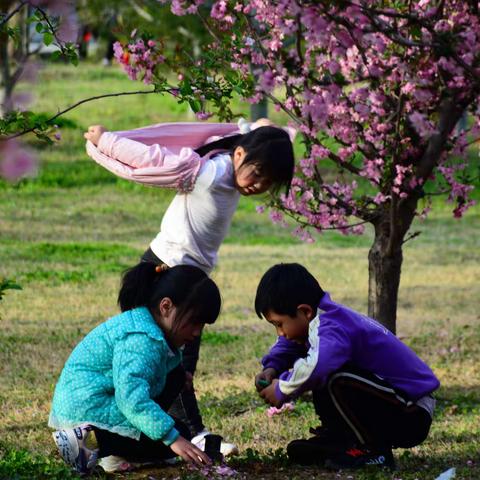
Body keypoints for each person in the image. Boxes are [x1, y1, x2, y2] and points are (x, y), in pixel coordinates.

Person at [84, 119, 295, 456]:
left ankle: (132, 430)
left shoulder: (237, 154)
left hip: (183, 274)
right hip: (168, 271)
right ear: (239, 154)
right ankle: (190, 433)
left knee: (165, 362)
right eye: (256, 174)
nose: (257, 185)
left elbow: (260, 129)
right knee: (173, 363)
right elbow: (152, 158)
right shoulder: (208, 174)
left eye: (267, 183)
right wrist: (106, 140)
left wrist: (263, 127)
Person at [254, 263, 440, 470]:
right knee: (331, 375)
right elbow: (289, 344)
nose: (280, 332)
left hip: (411, 413)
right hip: (393, 403)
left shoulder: (331, 326)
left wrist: (283, 388)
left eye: (279, 324)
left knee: (335, 377)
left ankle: (373, 452)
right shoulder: (317, 321)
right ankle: (341, 442)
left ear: (305, 311)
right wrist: (272, 368)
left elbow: (317, 366)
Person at [49, 263, 220, 475]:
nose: (197, 332)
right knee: (175, 435)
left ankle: (115, 449)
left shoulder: (146, 326)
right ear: (165, 306)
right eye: (194, 322)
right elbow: (131, 399)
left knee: (175, 379)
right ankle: (88, 441)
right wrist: (173, 439)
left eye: (202, 325)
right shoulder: (142, 340)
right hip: (85, 409)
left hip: (98, 400)